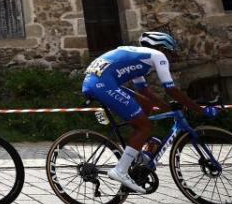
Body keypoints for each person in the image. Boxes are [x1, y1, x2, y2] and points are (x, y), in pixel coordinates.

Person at [82, 31, 218, 193]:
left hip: (97, 81)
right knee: (144, 126)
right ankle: (120, 170)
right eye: (171, 52)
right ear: (162, 48)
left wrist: (169, 109)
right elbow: (171, 89)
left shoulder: (139, 57)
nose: (171, 57)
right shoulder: (157, 55)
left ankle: (136, 150)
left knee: (145, 106)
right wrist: (200, 109)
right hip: (102, 84)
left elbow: (145, 92)